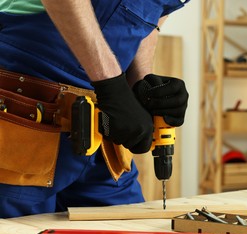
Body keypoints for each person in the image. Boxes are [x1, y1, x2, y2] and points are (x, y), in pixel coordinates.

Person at [0, 0, 190, 218]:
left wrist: (140, 81)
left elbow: (148, 17)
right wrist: (112, 86)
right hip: (30, 102)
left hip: (101, 131)